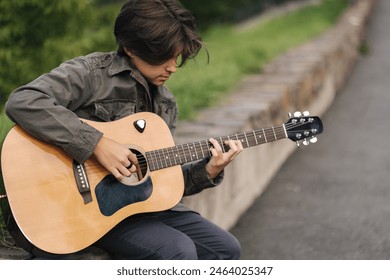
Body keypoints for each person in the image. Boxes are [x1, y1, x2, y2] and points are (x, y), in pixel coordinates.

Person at [4, 0, 243, 260]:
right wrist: (97, 144)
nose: (172, 67)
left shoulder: (165, 103)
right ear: (130, 47)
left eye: (176, 57)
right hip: (83, 209)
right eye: (163, 57)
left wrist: (208, 170)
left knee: (225, 249)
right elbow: (24, 101)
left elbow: (158, 182)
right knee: (178, 251)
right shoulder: (91, 74)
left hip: (134, 207)